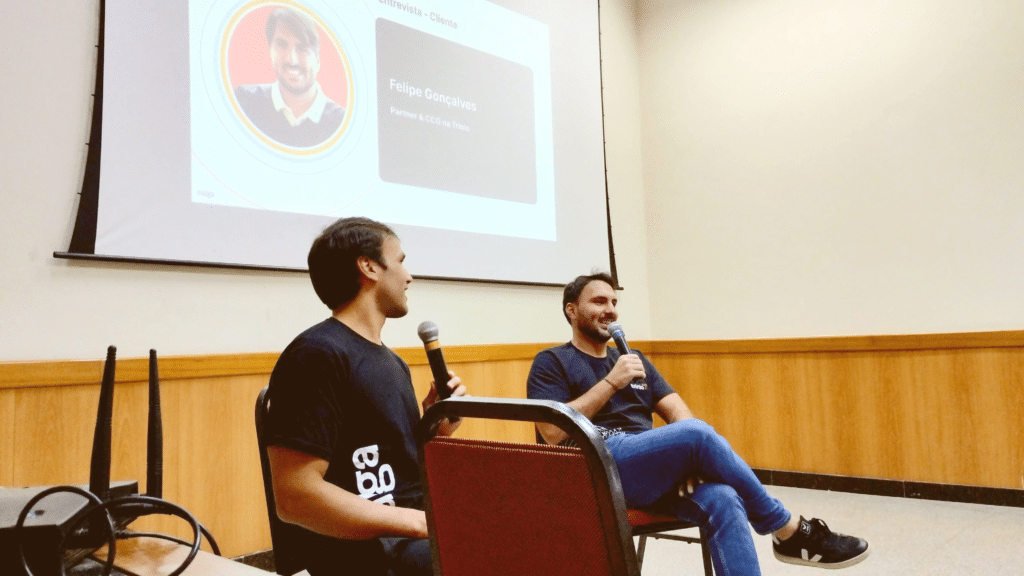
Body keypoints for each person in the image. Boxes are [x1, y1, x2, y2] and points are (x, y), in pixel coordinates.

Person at [527, 273, 870, 576]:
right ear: (572, 310)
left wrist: (688, 462)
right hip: (595, 467)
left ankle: (784, 535)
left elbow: (680, 415)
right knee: (697, 436)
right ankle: (787, 529)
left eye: (615, 301)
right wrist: (611, 383)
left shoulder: (633, 359)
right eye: (599, 301)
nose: (611, 309)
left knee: (723, 497)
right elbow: (553, 433)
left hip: (644, 467)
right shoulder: (552, 361)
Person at [265, 217, 464, 576]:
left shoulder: (394, 363)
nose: (408, 276)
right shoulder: (316, 354)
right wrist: (419, 523)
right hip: (366, 556)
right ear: (369, 266)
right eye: (400, 261)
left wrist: (434, 426)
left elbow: (398, 465)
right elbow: (294, 496)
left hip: (410, 541)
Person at [234, 7, 346, 148]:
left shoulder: (342, 122)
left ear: (318, 60)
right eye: (281, 45)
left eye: (302, 47)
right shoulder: (244, 101)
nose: (292, 60)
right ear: (270, 51)